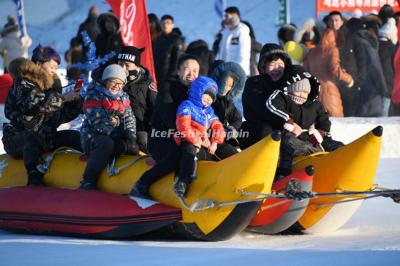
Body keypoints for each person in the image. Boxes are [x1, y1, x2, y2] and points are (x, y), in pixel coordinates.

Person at [3, 56, 82, 186]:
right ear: (38, 65)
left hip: (45, 138)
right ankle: (34, 178)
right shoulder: (23, 84)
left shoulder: (50, 89)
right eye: (51, 67)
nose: (54, 71)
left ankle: (96, 168)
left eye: (56, 68)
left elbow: (59, 116)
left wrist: (75, 102)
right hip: (17, 139)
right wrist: (62, 98)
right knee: (32, 137)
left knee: (74, 135)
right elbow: (35, 105)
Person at [129, 54, 200, 199]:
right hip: (161, 138)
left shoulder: (197, 92)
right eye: (187, 69)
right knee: (176, 155)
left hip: (186, 137)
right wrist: (192, 137)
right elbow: (171, 120)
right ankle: (142, 183)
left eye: (195, 70)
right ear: (179, 71)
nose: (191, 73)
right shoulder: (168, 88)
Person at [266, 75, 343, 178]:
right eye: (299, 91)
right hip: (293, 140)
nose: (302, 95)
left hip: (313, 141)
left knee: (337, 145)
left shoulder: (315, 105)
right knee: (288, 142)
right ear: (290, 90)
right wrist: (290, 123)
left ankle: (343, 171)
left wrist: (321, 132)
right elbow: (274, 105)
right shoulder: (285, 100)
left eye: (305, 93)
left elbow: (324, 121)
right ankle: (283, 174)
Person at [79, 64, 140, 189]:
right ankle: (88, 180)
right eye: (114, 81)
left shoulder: (122, 97)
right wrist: (115, 133)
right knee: (106, 143)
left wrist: (130, 134)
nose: (117, 86)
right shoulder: (94, 95)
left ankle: (136, 179)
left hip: (115, 134)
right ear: (106, 80)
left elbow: (129, 116)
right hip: (93, 137)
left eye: (120, 83)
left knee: (140, 138)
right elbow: (97, 119)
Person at [173, 76, 226, 198]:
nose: (208, 100)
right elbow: (183, 126)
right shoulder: (187, 105)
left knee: (224, 149)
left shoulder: (209, 112)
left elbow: (218, 126)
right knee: (189, 150)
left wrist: (215, 142)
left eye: (211, 98)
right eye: (206, 95)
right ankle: (182, 182)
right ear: (198, 92)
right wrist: (197, 140)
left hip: (203, 141)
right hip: (185, 138)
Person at [303, 28, 354, 117]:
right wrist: (349, 80)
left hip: (314, 92)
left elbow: (305, 72)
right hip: (329, 92)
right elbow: (335, 71)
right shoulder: (332, 50)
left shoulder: (311, 52)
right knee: (337, 123)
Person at [117, 46, 157, 153]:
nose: (123, 68)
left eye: (127, 65)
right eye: (120, 64)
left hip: (140, 130)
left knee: (143, 139)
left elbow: (155, 109)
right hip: (117, 129)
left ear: (136, 66)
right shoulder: (111, 81)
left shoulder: (147, 83)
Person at [210, 61, 245, 146]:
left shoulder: (228, 102)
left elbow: (237, 119)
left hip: (221, 138)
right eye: (225, 84)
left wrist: (231, 129)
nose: (226, 88)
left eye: (230, 86)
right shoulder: (207, 98)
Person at [215, 6, 251, 76]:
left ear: (235, 16)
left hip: (238, 73)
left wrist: (238, 72)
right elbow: (221, 54)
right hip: (225, 72)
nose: (225, 19)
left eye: (227, 16)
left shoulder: (242, 30)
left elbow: (244, 54)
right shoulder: (225, 32)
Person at [152, 14, 183, 86]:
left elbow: (177, 60)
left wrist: (171, 77)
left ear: (172, 25)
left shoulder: (176, 39)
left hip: (168, 76)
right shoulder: (157, 39)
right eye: (163, 23)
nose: (165, 25)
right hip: (155, 74)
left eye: (168, 23)